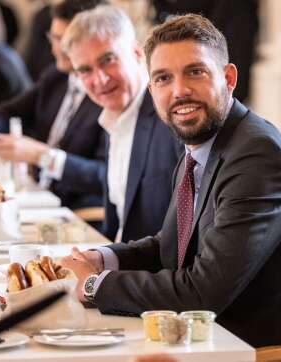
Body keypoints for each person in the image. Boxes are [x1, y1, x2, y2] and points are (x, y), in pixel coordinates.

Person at [59, 13, 281, 348]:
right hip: (223, 333)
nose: (179, 91)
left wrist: (96, 285)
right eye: (164, 79)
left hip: (267, 346)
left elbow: (202, 293)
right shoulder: (199, 148)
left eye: (195, 72)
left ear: (228, 77)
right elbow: (169, 247)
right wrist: (105, 258)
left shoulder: (258, 156)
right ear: (151, 89)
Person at [0, 0, 106, 212]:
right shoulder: (55, 77)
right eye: (53, 37)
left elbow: (104, 176)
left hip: (75, 212)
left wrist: (41, 155)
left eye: (63, 39)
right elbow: (9, 110)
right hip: (36, 197)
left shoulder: (106, 92)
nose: (55, 47)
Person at [61, 5, 182, 242]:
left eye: (108, 60)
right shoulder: (112, 118)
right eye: (85, 70)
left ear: (137, 53)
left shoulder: (169, 116)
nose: (100, 79)